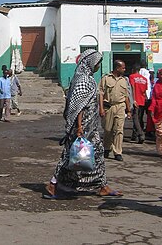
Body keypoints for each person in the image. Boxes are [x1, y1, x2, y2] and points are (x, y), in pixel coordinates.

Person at [44, 49, 122, 198]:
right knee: (69, 156)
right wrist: (79, 127)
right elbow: (79, 106)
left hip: (90, 127)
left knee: (97, 155)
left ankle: (102, 185)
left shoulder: (87, 78)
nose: (99, 65)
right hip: (83, 127)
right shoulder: (83, 80)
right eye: (97, 62)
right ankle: (53, 184)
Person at [99, 60, 131, 161]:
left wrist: (129, 110)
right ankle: (107, 148)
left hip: (120, 107)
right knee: (108, 130)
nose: (124, 69)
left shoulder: (124, 80)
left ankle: (118, 152)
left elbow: (126, 96)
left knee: (119, 130)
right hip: (109, 107)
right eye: (123, 68)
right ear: (117, 68)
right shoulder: (106, 78)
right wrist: (101, 108)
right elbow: (100, 94)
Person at [129, 64, 148, 143]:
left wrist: (133, 100)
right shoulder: (144, 79)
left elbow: (132, 87)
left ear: (133, 69)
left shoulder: (132, 77)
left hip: (136, 100)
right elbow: (144, 91)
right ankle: (135, 135)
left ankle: (141, 134)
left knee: (135, 119)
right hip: (142, 100)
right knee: (140, 118)